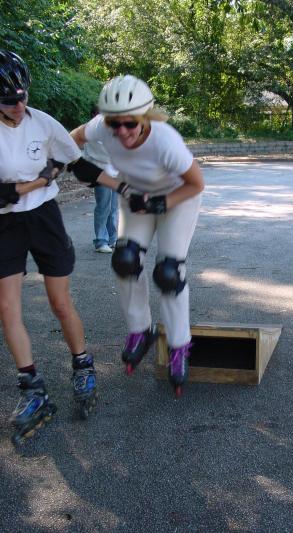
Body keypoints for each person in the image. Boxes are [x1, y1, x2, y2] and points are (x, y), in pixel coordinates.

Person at [69, 75, 204, 397]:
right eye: (115, 124)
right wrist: (105, 179)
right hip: (134, 197)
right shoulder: (104, 126)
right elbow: (68, 141)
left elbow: (196, 183)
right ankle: (139, 330)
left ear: (144, 117)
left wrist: (160, 202)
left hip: (177, 198)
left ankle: (178, 344)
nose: (122, 131)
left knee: (169, 272)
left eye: (130, 123)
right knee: (125, 260)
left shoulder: (165, 140)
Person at [0, 50, 97, 443]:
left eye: (23, 96)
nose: (20, 106)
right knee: (7, 308)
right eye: (9, 101)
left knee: (60, 302)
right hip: (5, 223)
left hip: (44, 218)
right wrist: (38, 180)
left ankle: (83, 365)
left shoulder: (41, 121)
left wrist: (124, 187)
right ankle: (33, 388)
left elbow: (77, 162)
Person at [83, 105, 118, 253]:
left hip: (115, 174)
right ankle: (101, 241)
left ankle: (112, 239)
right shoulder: (91, 131)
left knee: (114, 208)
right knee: (103, 207)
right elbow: (104, 152)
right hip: (100, 174)